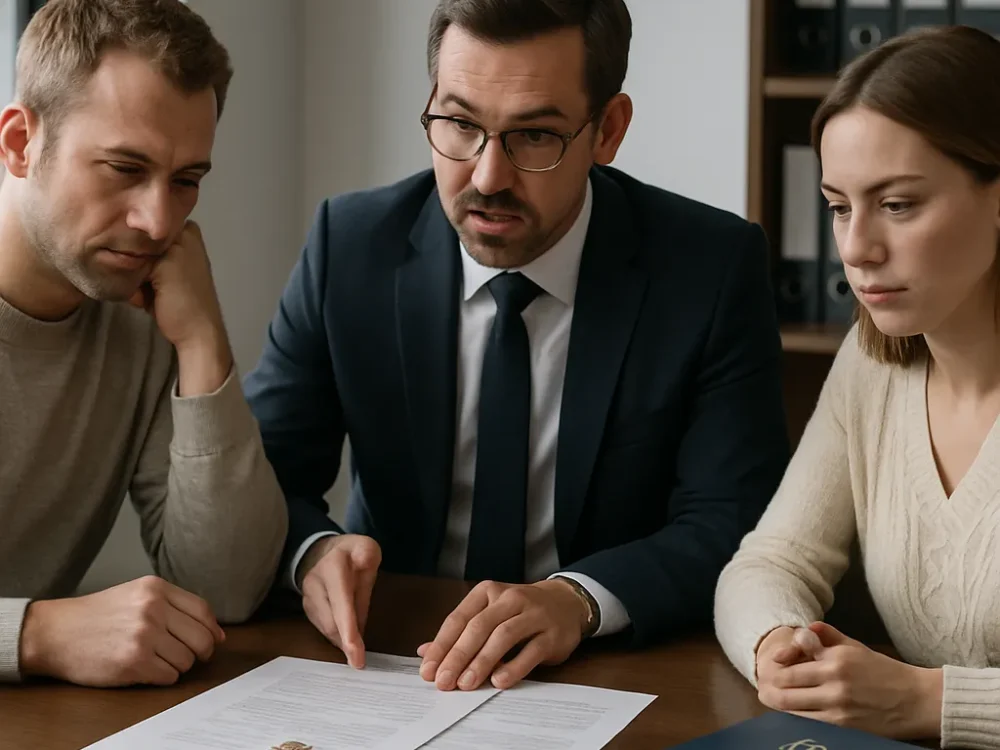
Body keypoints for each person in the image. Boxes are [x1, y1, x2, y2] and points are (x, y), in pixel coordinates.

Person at [246, 0, 788, 692]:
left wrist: (580, 600)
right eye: (460, 124)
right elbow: (263, 482)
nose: (486, 177)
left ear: (608, 130)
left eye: (534, 137)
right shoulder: (350, 247)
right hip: (394, 666)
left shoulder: (708, 269)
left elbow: (732, 520)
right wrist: (312, 552)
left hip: (608, 672)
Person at [714, 24, 1000, 749]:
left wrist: (927, 701)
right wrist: (778, 645)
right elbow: (771, 561)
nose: (856, 249)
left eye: (898, 204)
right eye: (840, 206)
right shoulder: (872, 366)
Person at [0, 0, 288, 688]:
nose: (158, 221)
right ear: (19, 143)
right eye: (124, 169)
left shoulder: (140, 307)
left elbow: (227, 588)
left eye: (186, 180)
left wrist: (202, 340)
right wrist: (34, 634)